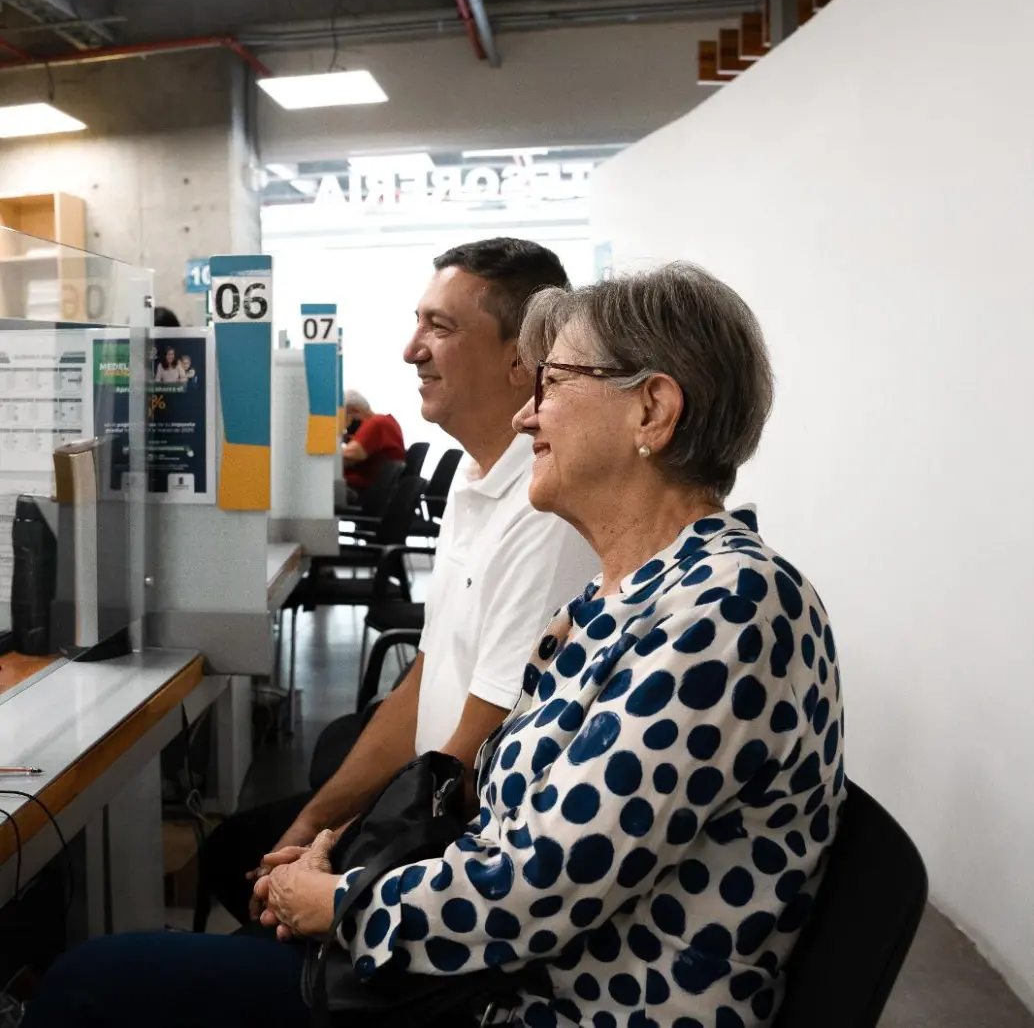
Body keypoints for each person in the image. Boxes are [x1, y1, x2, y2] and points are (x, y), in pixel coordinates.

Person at [22, 263, 846, 1028]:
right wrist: (347, 852)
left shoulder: (730, 607)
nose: (529, 413)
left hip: (534, 1004)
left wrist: (342, 901)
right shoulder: (619, 595)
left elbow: (540, 886)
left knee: (93, 984)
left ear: (652, 411)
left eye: (553, 382)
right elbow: (505, 816)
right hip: (483, 971)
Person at [195, 238, 600, 932]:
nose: (412, 349)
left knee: (234, 870)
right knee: (242, 848)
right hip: (428, 794)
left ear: (520, 357)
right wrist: (315, 820)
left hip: (453, 837)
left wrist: (333, 853)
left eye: (439, 327)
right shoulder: (479, 483)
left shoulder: (544, 515)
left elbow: (468, 761)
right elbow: (423, 682)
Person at [341, 390, 406, 503]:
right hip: (375, 491)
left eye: (343, 416)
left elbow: (349, 455)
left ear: (354, 410)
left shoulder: (377, 423)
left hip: (364, 493)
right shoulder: (387, 421)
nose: (345, 425)